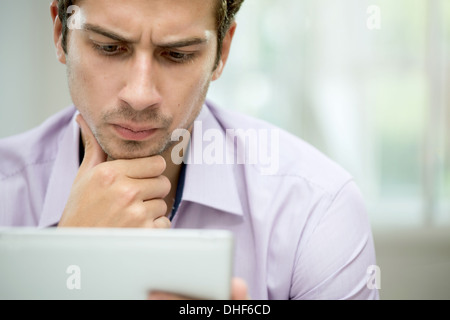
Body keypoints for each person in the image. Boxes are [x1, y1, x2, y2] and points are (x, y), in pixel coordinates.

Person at [0, 0, 379, 300]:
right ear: (59, 32)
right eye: (109, 47)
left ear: (223, 51)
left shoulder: (316, 209)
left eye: (177, 55)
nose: (140, 94)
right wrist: (64, 270)